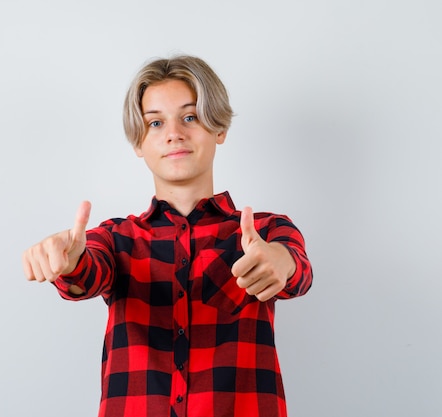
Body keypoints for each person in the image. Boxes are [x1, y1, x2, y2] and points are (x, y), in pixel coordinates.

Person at [22, 55, 313, 417]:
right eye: (155, 122)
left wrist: (279, 263)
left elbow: (296, 270)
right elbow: (86, 275)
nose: (174, 133)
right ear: (139, 144)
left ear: (219, 128)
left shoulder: (265, 230)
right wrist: (68, 263)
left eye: (189, 117)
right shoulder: (115, 239)